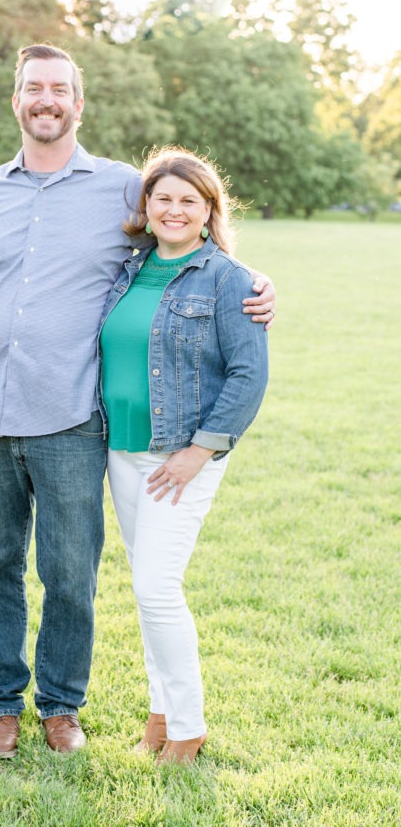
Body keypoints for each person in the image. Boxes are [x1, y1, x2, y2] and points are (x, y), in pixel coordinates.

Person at [0, 43, 276, 758]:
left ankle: (61, 706)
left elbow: (189, 235)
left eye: (59, 89)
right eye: (33, 88)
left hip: (72, 415)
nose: (46, 99)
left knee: (71, 572)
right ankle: (0, 703)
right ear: (16, 99)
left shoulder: (123, 187)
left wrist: (258, 285)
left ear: (78, 102)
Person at [98, 146, 269, 765]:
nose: (173, 210)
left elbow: (248, 375)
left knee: (156, 586)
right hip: (122, 452)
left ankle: (190, 728)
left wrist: (201, 451)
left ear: (208, 211)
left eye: (187, 201)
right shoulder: (128, 269)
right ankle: (161, 711)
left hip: (181, 459)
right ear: (146, 207)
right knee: (148, 591)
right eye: (162, 198)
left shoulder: (229, 279)